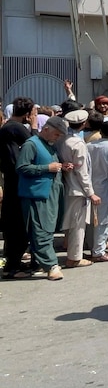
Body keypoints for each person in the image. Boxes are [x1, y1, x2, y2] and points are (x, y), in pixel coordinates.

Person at [16, 116, 68, 281]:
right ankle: (51, 265)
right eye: (57, 134)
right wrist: (47, 168)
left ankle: (37, 263)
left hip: (49, 194)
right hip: (36, 195)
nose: (57, 138)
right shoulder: (31, 144)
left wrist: (61, 167)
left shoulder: (48, 145)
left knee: (46, 229)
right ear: (46, 129)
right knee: (41, 231)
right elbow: (22, 167)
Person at [56, 109, 101, 269]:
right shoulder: (78, 144)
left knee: (73, 223)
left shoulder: (64, 140)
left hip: (69, 186)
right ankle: (74, 258)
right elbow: (82, 172)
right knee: (78, 225)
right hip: (78, 189)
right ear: (83, 124)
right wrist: (91, 193)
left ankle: (74, 255)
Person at [0, 97, 37, 279]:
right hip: (17, 181)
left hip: (10, 180)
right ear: (28, 113)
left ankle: (13, 262)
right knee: (17, 224)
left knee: (13, 223)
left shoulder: (7, 127)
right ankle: (12, 267)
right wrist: (35, 125)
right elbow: (36, 145)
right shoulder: (16, 128)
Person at [87, 120, 108, 262]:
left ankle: (92, 247)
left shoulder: (88, 146)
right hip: (105, 187)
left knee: (90, 219)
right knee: (105, 220)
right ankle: (98, 251)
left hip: (88, 186)